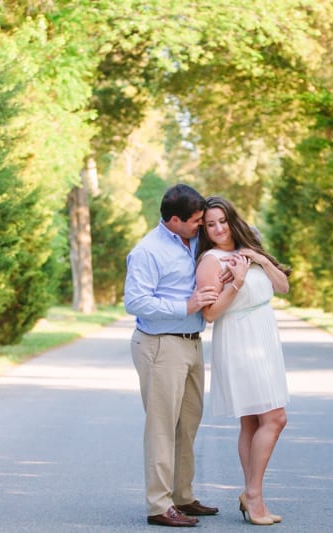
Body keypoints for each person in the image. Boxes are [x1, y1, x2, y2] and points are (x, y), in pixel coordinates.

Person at [124, 184, 223, 528]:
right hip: (160, 345)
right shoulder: (147, 251)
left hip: (192, 343)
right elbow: (135, 302)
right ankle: (158, 505)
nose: (201, 225)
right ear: (175, 220)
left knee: (188, 423)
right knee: (162, 427)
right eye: (196, 220)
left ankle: (182, 495)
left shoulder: (194, 240)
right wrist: (186, 305)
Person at [194, 196, 291, 526]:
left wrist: (256, 258)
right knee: (275, 418)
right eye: (210, 224)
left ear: (231, 219)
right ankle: (253, 495)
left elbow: (284, 286)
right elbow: (209, 314)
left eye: (222, 220)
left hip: (264, 336)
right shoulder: (211, 260)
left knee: (252, 421)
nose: (218, 228)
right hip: (238, 338)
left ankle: (252, 494)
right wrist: (234, 282)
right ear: (204, 229)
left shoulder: (251, 246)